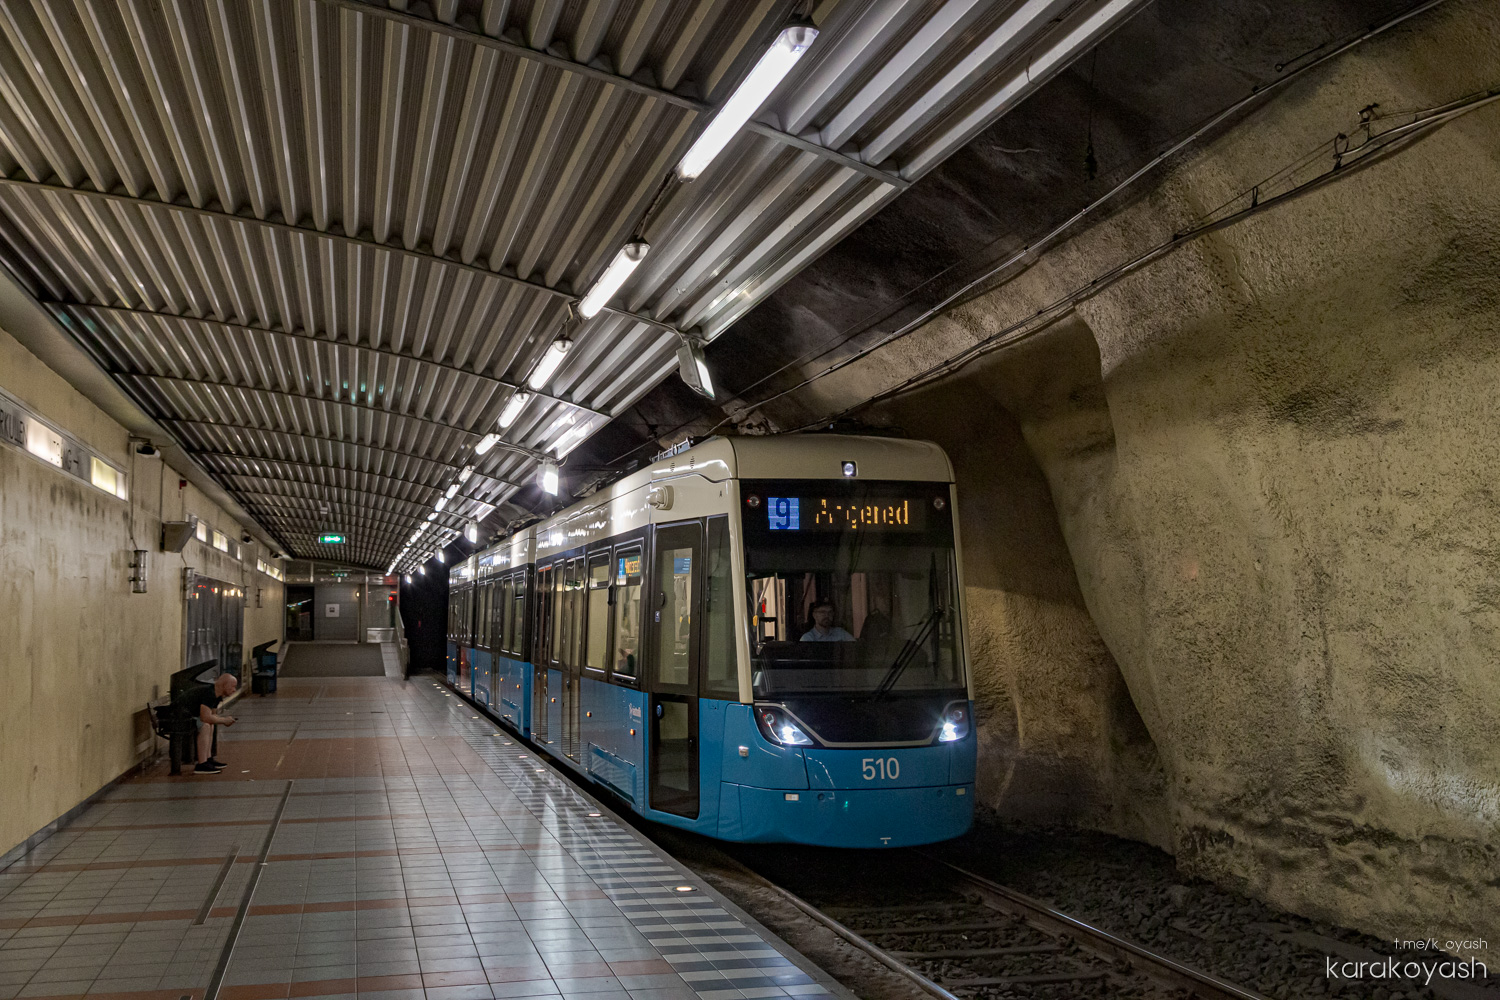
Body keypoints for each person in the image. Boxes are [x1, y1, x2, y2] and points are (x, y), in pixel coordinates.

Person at [175, 673, 238, 774]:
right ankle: (201, 764)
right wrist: (224, 721)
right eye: (233, 686)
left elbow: (212, 715)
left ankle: (208, 759)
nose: (234, 689)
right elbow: (205, 717)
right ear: (224, 685)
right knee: (205, 726)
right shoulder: (209, 693)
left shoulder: (216, 694)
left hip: (186, 716)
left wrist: (223, 719)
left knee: (211, 725)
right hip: (177, 717)